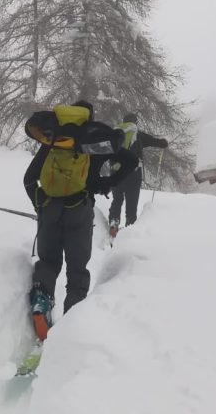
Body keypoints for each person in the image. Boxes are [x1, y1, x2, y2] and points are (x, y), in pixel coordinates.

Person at [22, 100, 137, 339]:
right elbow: (131, 161)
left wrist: (40, 207)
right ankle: (70, 326)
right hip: (80, 209)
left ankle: (41, 303)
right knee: (77, 270)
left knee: (48, 262)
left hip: (49, 208)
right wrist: (106, 183)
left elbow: (29, 179)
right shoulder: (94, 142)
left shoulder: (55, 140)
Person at [108, 111, 169, 234]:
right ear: (135, 122)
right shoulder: (138, 134)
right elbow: (154, 141)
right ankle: (130, 227)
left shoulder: (114, 134)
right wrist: (163, 143)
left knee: (117, 199)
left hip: (116, 172)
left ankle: (114, 223)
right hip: (133, 173)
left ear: (124, 122)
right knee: (132, 201)